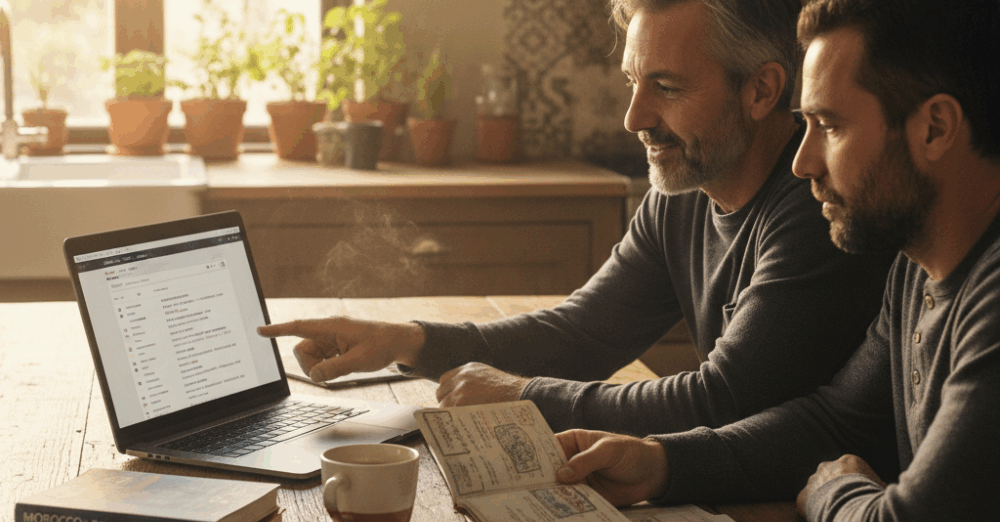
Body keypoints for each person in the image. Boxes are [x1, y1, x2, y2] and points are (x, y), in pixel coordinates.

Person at [258, 0, 892, 437]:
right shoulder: (683, 191)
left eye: (667, 88)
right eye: (633, 82)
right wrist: (409, 341)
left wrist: (525, 397)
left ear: (760, 90)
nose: (635, 118)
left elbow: (722, 401)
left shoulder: (820, 205)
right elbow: (584, 333)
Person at [553, 0, 1000, 522]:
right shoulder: (915, 269)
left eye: (831, 126)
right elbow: (834, 421)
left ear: (936, 127)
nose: (803, 160)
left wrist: (830, 490)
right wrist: (661, 463)